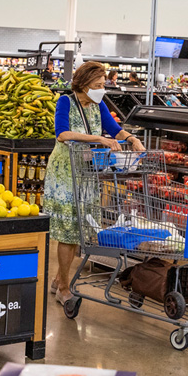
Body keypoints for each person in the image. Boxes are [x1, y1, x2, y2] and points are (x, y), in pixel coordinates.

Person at [43, 61, 145, 305]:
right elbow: (62, 134)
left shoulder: (98, 105)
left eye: (103, 85)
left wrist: (132, 139)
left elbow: (115, 129)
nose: (102, 89)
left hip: (87, 173)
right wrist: (99, 138)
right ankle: (64, 288)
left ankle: (60, 278)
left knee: (80, 229)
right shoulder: (66, 102)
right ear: (85, 83)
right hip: (66, 173)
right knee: (68, 232)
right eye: (98, 85)